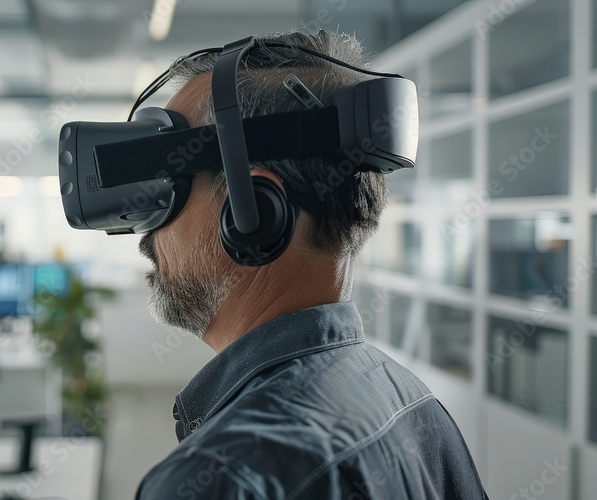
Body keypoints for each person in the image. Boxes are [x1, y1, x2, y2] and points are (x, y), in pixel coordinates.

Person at [133, 31, 488, 499]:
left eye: (169, 192)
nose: (147, 235)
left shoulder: (224, 478)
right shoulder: (414, 405)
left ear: (253, 213)